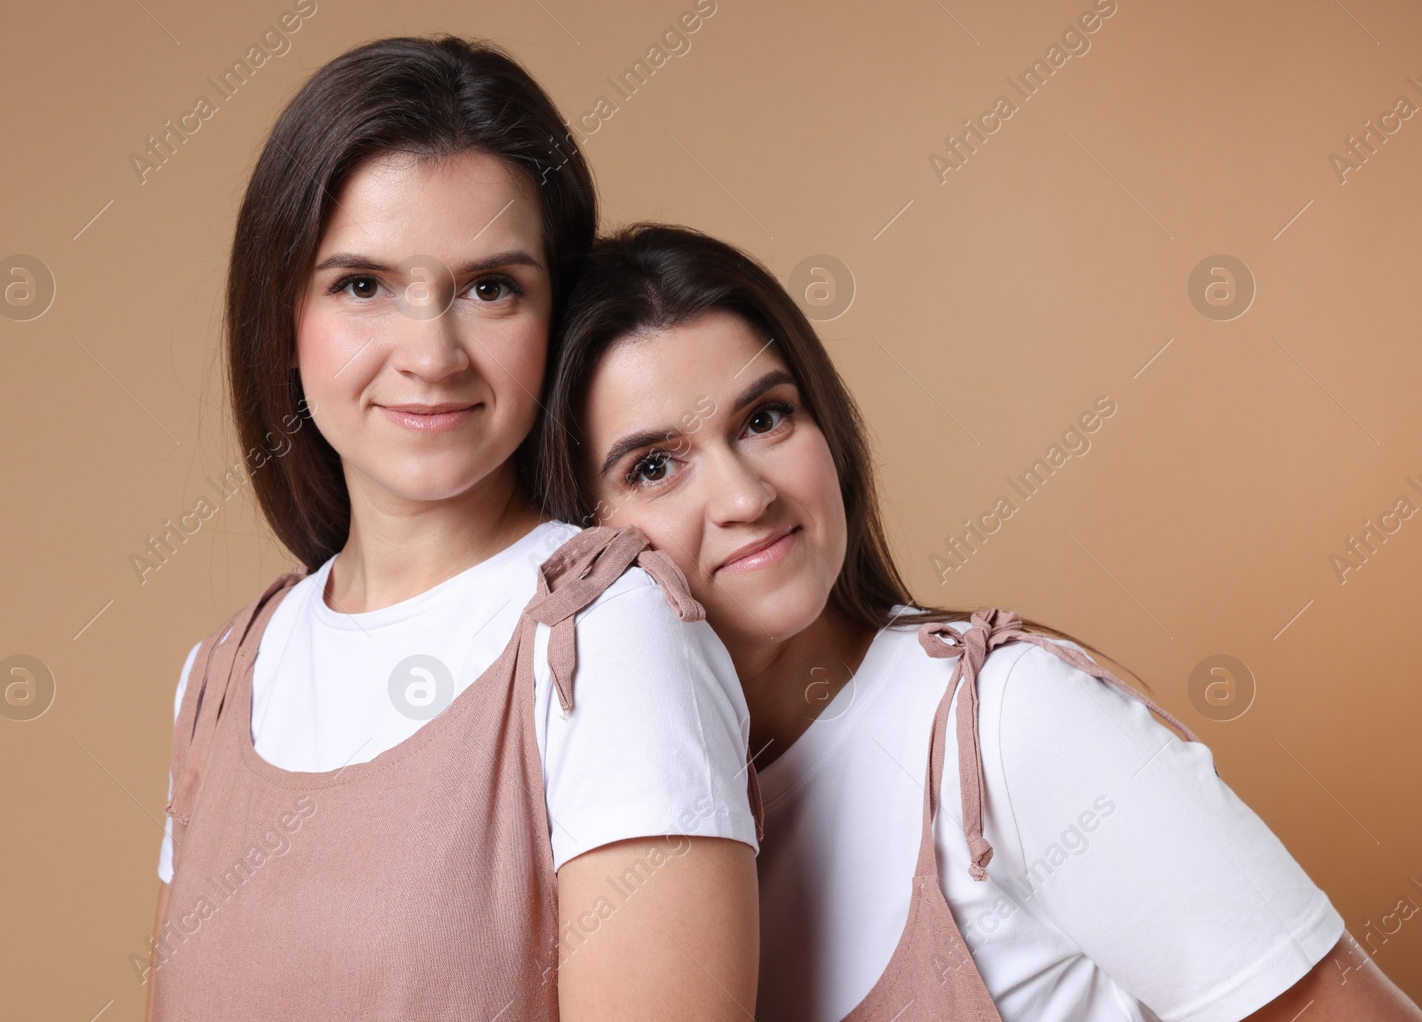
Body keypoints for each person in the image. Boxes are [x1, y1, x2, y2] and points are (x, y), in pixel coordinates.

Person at [534, 222, 1422, 1021]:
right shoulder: (616, 823)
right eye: (654, 466)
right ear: (578, 534)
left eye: (766, 417)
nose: (744, 495)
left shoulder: (1010, 722)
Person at [145, 45, 762, 1021]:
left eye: (489, 287)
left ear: (552, 314)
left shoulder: (609, 638)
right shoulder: (219, 681)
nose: (430, 354)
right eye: (362, 285)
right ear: (284, 312)